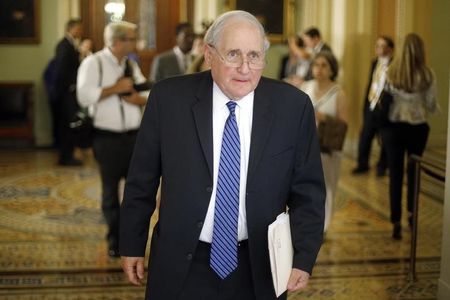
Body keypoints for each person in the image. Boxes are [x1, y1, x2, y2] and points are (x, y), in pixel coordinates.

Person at [120, 10, 325, 300]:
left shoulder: (293, 107)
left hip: (260, 266)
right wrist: (131, 243)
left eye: (254, 56)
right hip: (182, 263)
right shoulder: (169, 100)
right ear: (208, 54)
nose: (245, 67)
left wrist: (304, 256)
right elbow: (142, 180)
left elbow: (309, 191)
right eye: (233, 54)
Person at [76, 21, 149, 257]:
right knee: (110, 193)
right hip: (106, 139)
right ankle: (114, 241)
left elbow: (146, 90)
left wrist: (139, 100)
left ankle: (133, 242)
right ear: (117, 42)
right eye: (131, 38)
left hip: (134, 137)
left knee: (136, 193)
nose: (135, 43)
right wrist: (115, 88)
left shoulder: (130, 64)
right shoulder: (93, 63)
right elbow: (84, 96)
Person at [380, 33, 439, 240]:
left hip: (394, 129)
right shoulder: (427, 74)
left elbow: (380, 100)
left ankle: (395, 221)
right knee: (414, 173)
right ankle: (412, 216)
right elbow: (432, 105)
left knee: (395, 175)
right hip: (417, 128)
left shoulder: (390, 72)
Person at [301, 51, 348, 232]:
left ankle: (323, 226)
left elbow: (343, 125)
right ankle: (307, 221)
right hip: (306, 145)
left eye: (324, 66)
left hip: (327, 148)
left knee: (327, 186)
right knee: (304, 186)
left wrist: (323, 117)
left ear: (332, 69)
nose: (319, 69)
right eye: (316, 65)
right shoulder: (306, 87)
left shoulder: (339, 93)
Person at [353, 36, 394, 176]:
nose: (378, 48)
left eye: (381, 45)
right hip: (371, 104)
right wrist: (365, 105)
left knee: (384, 139)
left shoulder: (395, 65)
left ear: (390, 48)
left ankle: (382, 166)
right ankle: (362, 164)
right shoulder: (374, 62)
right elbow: (371, 84)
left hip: (385, 108)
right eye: (377, 45)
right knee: (365, 136)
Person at [53, 18, 83, 166]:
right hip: (66, 93)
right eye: (79, 28)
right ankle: (65, 157)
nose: (80, 31)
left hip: (69, 92)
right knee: (66, 125)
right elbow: (61, 70)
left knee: (70, 124)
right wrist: (69, 86)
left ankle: (68, 155)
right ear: (72, 28)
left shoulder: (70, 44)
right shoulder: (65, 45)